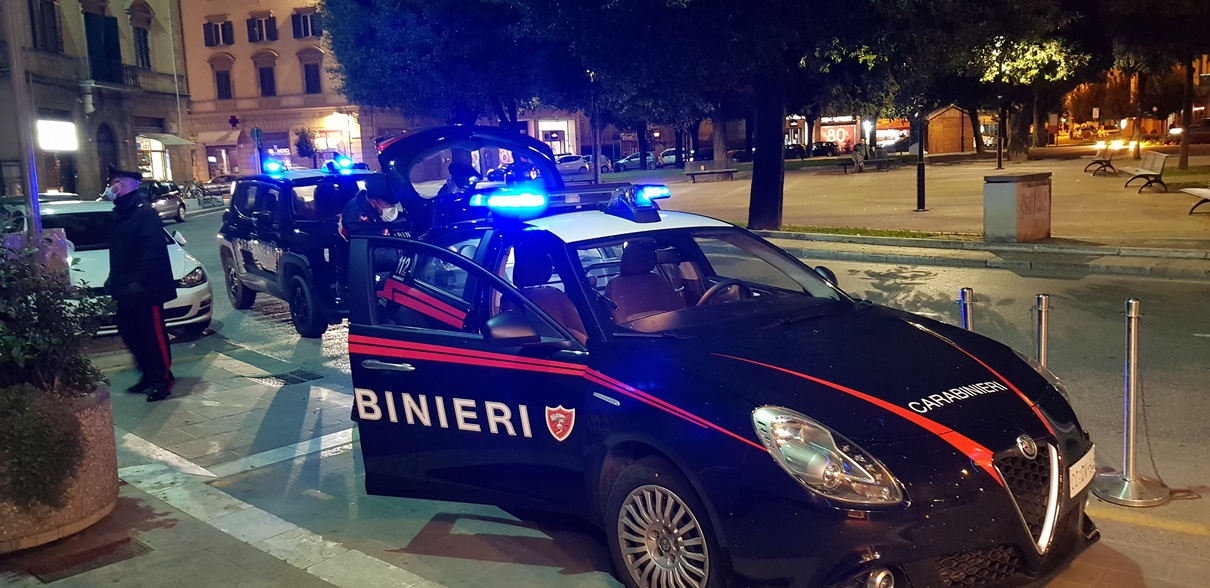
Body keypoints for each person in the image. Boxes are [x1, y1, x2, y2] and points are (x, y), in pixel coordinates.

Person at [104, 165, 176, 402]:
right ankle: (147, 374)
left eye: (113, 182)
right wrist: (113, 279)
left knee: (153, 336)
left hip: (147, 290)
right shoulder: (120, 213)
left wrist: (139, 282)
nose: (110, 187)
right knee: (131, 333)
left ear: (123, 184)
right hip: (125, 288)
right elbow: (120, 253)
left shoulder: (144, 213)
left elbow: (151, 253)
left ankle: (163, 381)